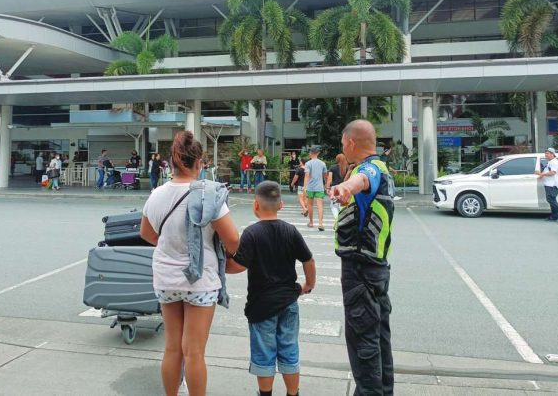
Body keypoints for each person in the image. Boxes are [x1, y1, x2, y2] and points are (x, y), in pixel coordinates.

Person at [140, 130, 239, 396]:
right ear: (199, 163)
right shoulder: (209, 195)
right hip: (201, 280)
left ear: (171, 163)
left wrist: (173, 244)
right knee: (194, 352)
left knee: (172, 347)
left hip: (165, 278)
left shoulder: (157, 194)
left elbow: (147, 234)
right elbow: (233, 241)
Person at [226, 181, 316, 396]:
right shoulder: (290, 231)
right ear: (281, 204)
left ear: (255, 205)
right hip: (288, 302)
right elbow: (308, 260)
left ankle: (265, 394)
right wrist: (308, 285)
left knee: (264, 352)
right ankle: (293, 393)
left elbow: (239, 265)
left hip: (261, 306)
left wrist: (223, 265)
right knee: (289, 349)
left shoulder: (251, 233)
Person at [330, 120, 395, 396]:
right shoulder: (383, 170)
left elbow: (362, 179)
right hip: (375, 269)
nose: (342, 147)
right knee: (378, 339)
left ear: (351, 143)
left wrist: (346, 187)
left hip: (361, 272)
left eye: (343, 143)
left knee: (363, 342)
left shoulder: (370, 168)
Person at [535, 147, 558, 223]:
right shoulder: (550, 162)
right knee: (552, 200)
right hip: (549, 184)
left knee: (551, 200)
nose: (545, 155)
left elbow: (552, 173)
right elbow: (548, 171)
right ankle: (554, 216)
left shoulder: (554, 162)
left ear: (552, 154)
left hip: (552, 184)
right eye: (545, 153)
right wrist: (541, 174)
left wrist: (542, 174)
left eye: (547, 153)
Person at [304, 146, 328, 231]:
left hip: (310, 187)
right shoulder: (322, 163)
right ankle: (320, 223)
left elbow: (307, 175)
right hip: (319, 187)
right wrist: (326, 185)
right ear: (318, 153)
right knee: (320, 205)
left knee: (310, 205)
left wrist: (305, 187)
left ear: (310, 153)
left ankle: (311, 222)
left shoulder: (308, 164)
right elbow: (325, 176)